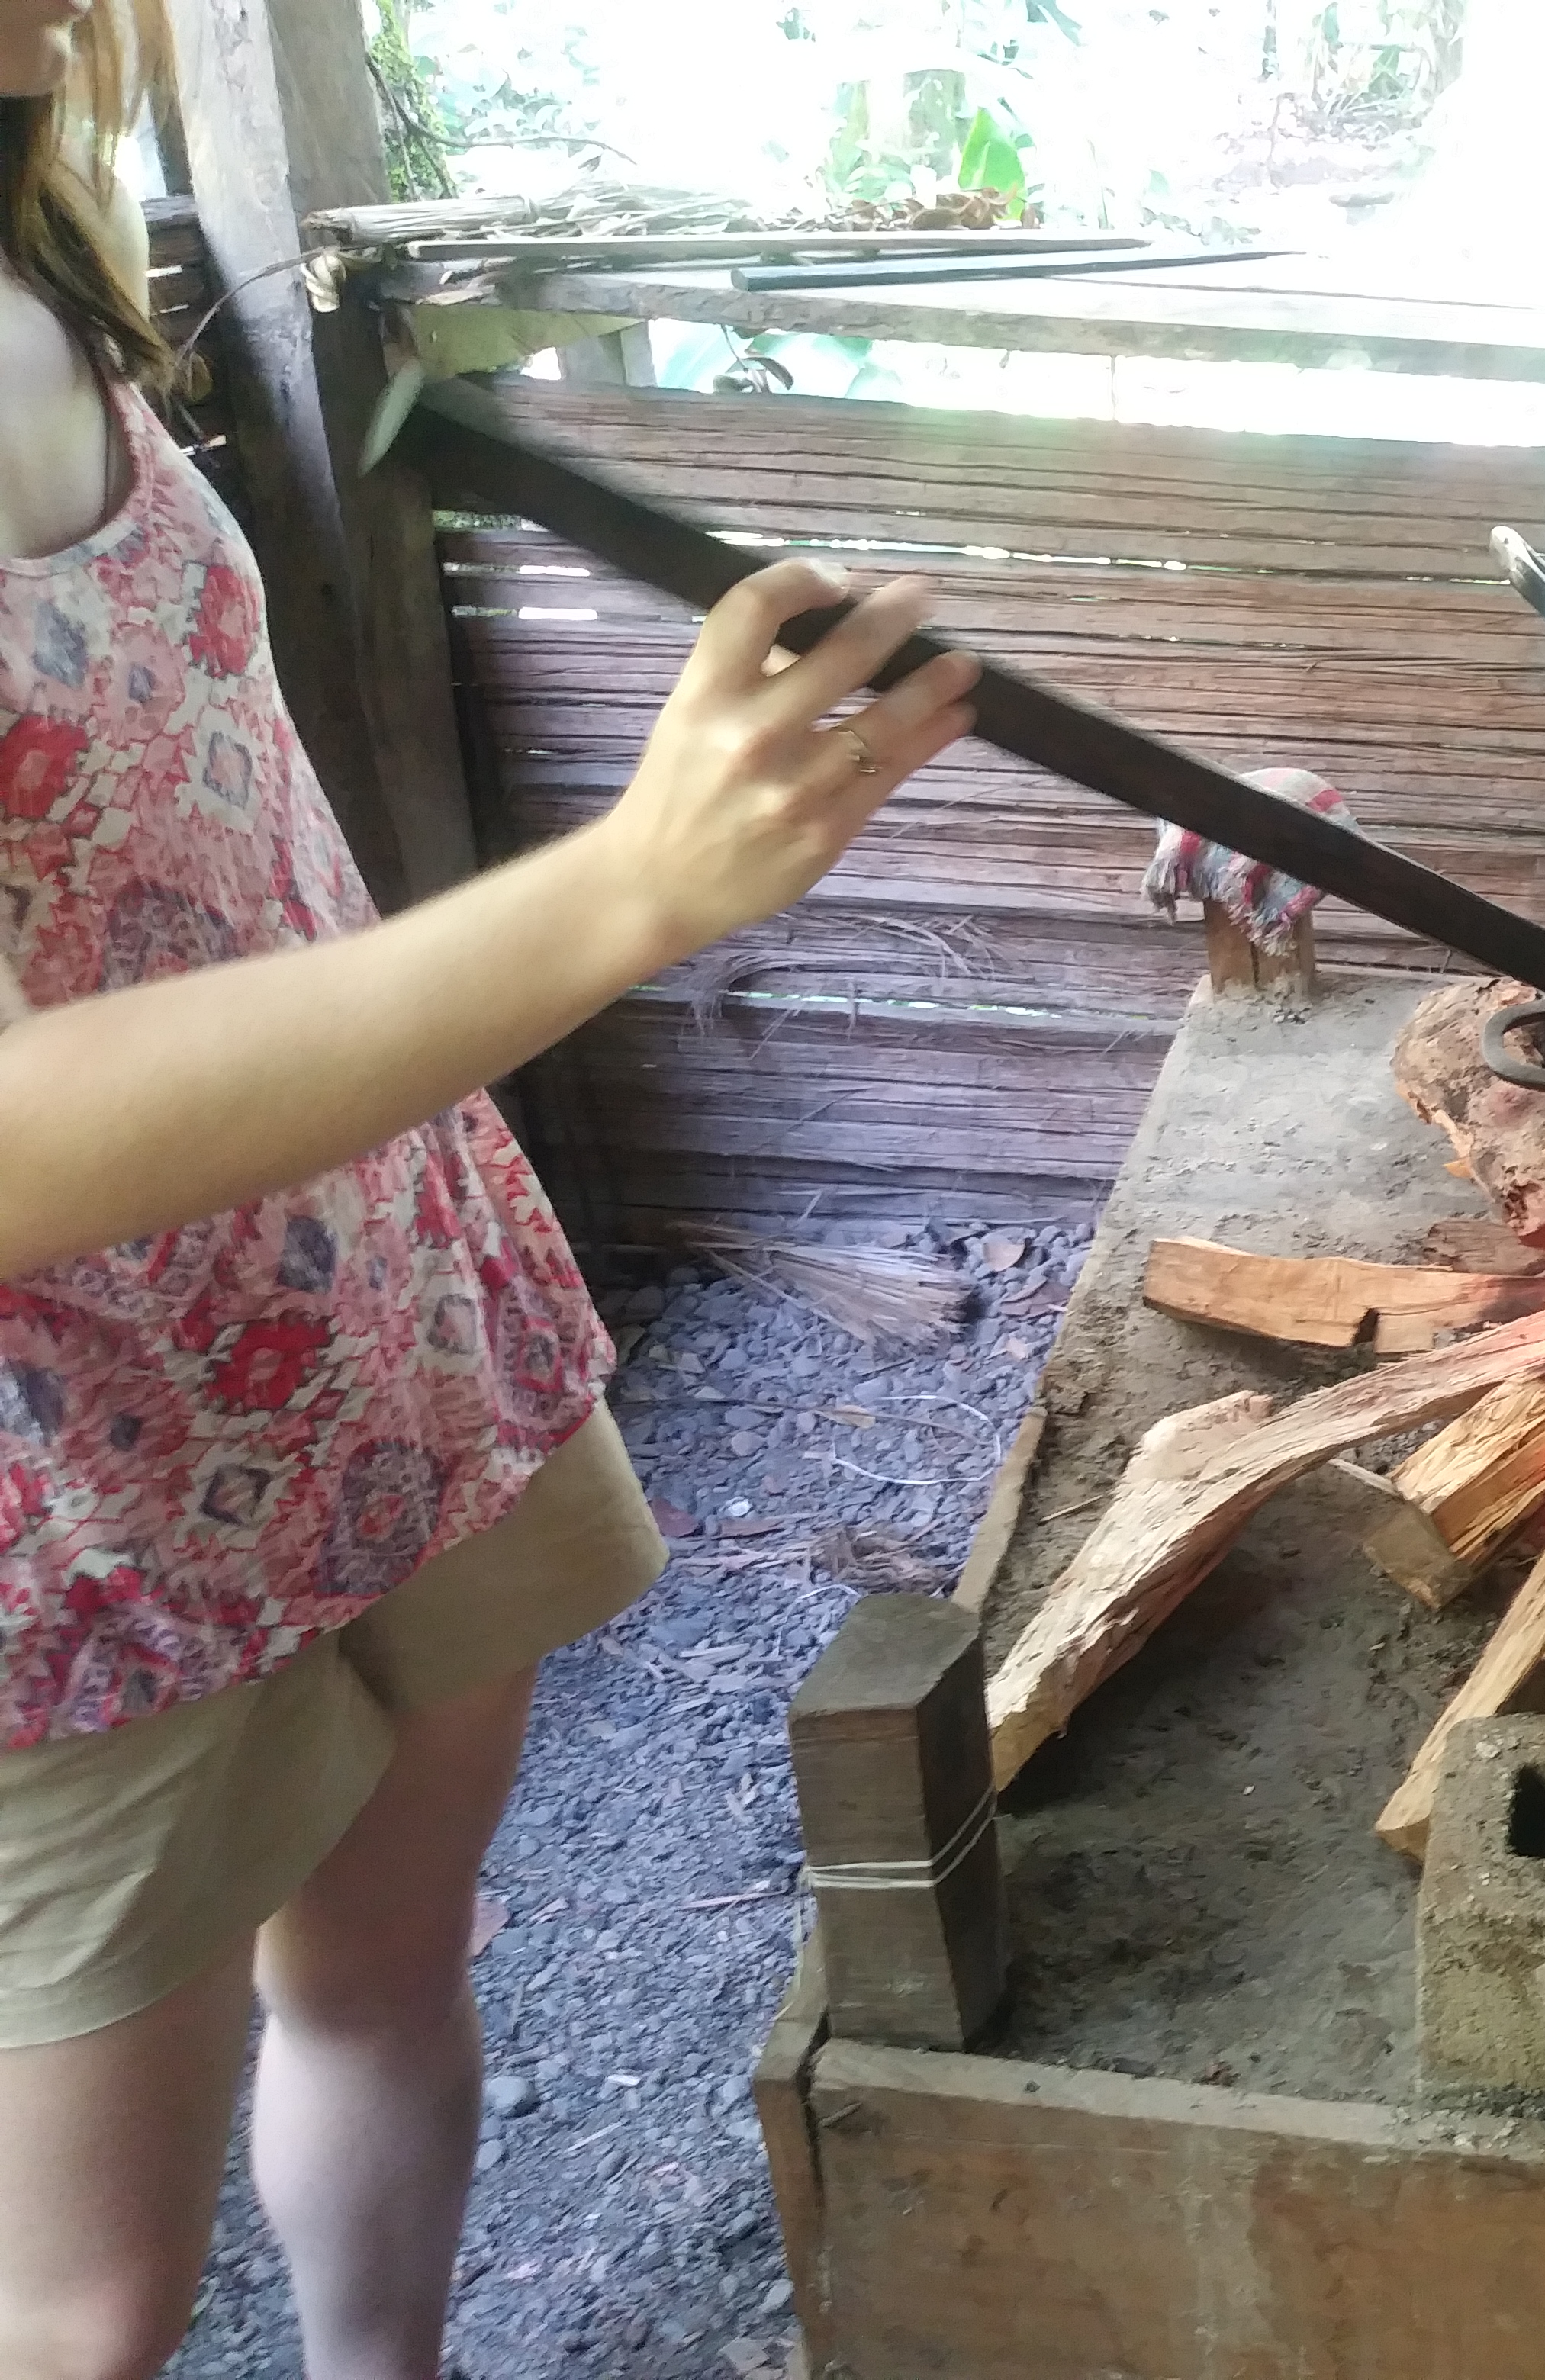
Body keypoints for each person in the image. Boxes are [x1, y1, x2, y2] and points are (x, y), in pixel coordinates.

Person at [0, 3, 982, 2372]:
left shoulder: (38, 238)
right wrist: (628, 891)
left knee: (378, 1985)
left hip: (371, 1316)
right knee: (93, 2298)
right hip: (68, 1502)